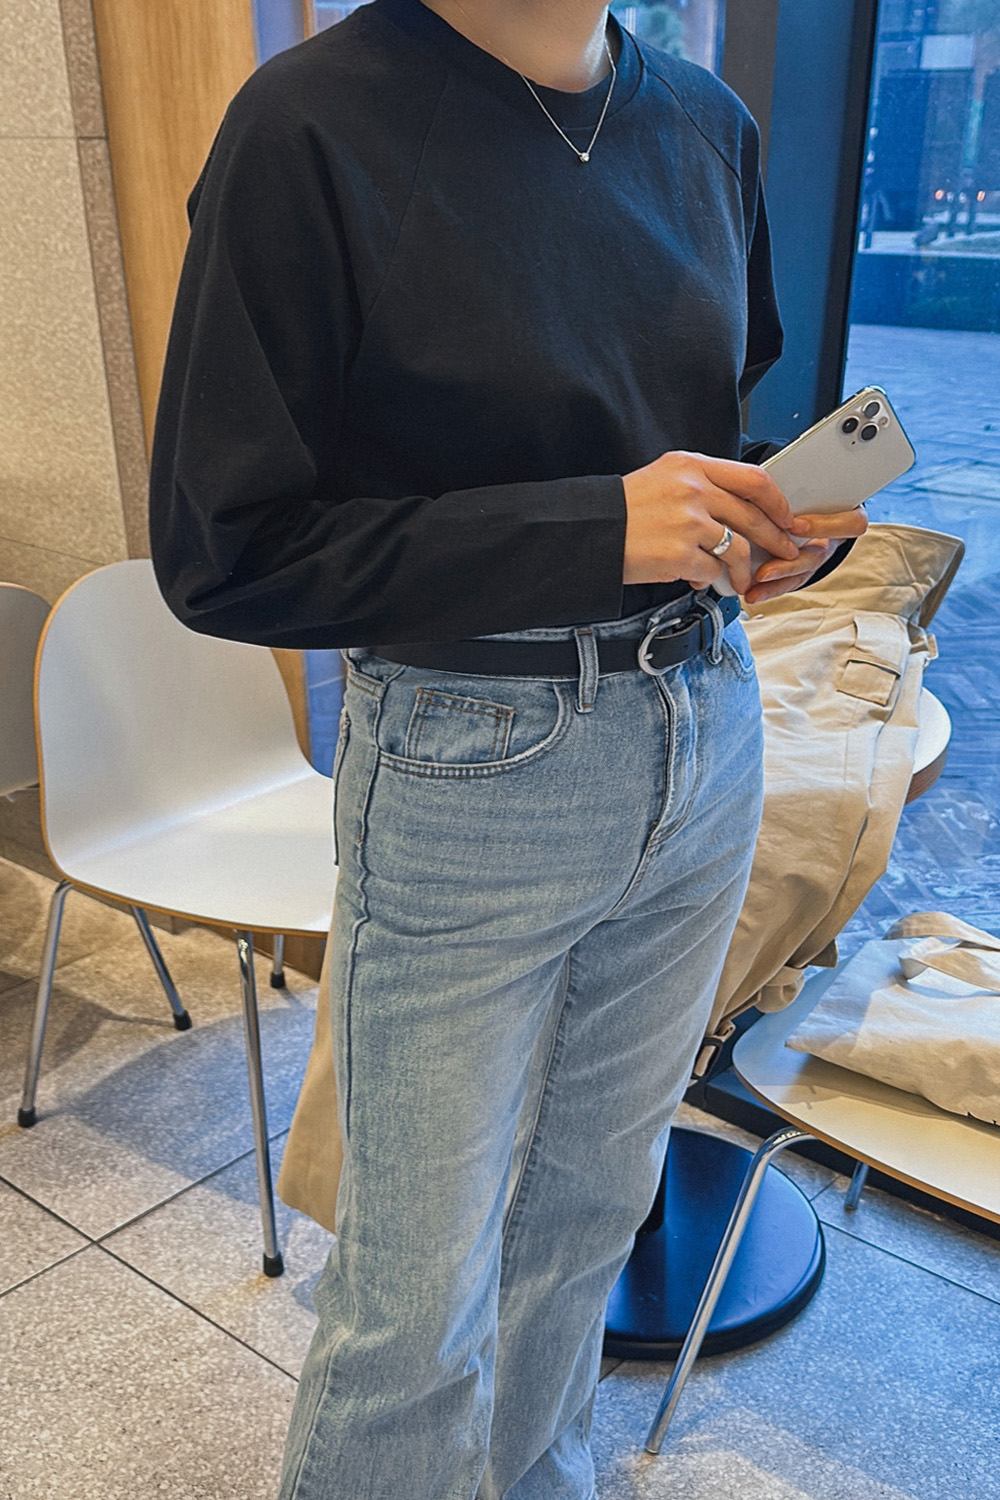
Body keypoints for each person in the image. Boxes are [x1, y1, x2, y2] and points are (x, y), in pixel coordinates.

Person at [148, 2, 866, 1495]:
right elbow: (230, 554)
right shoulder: (310, 126)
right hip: (473, 758)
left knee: (590, 1222)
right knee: (414, 1303)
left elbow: (686, 426)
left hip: (706, 715)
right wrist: (600, 527)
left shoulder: (707, 127)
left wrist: (761, 521)